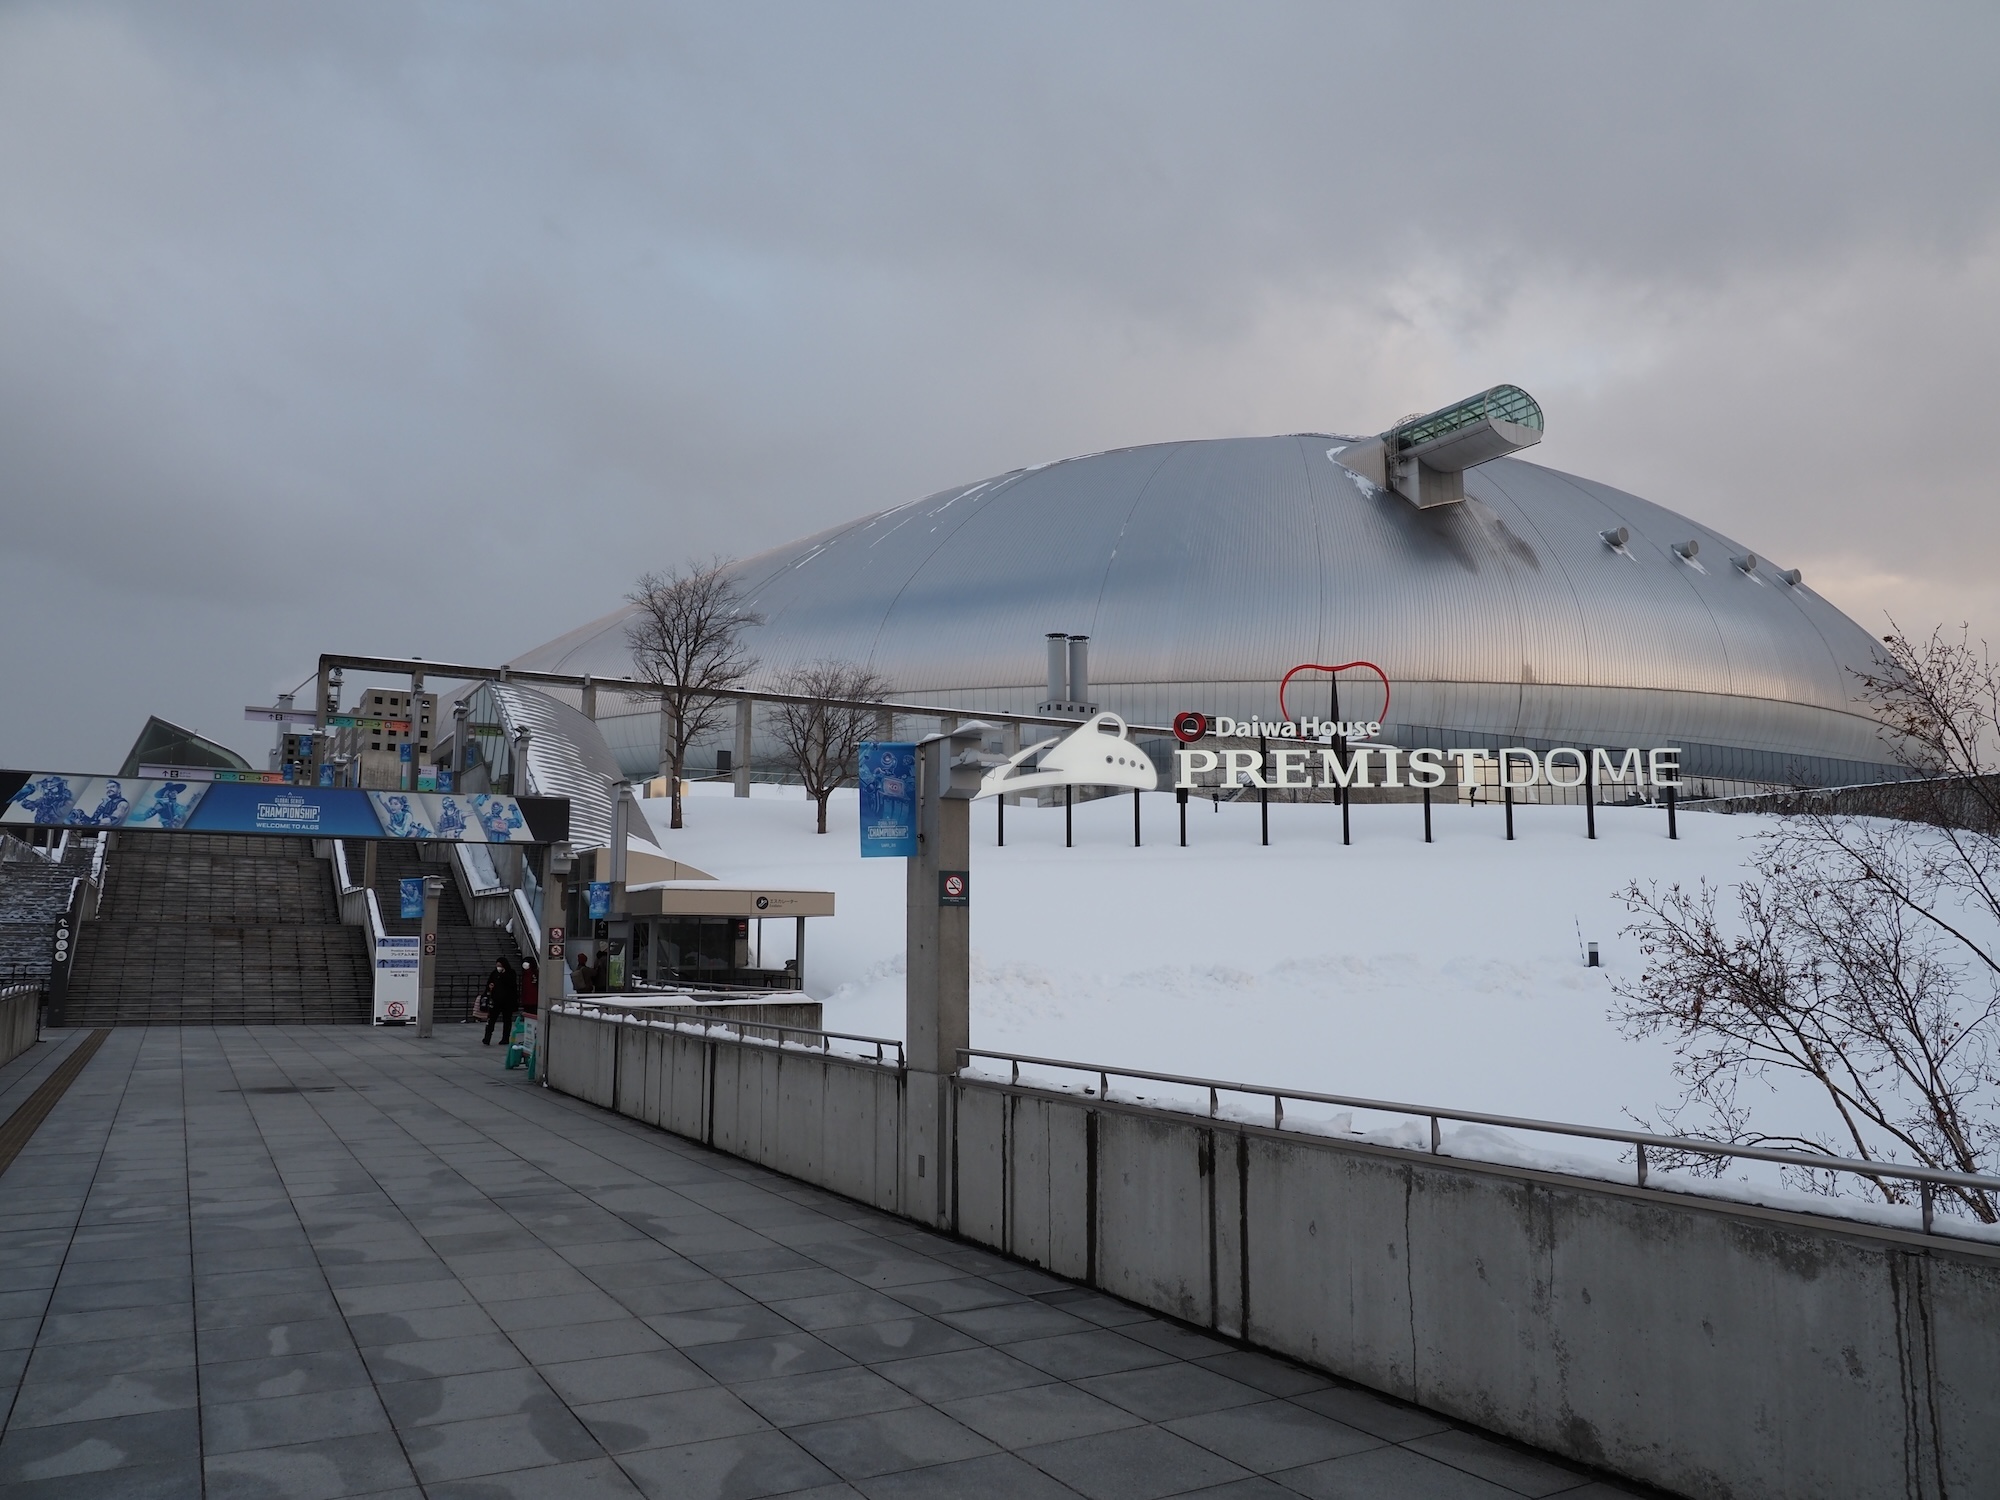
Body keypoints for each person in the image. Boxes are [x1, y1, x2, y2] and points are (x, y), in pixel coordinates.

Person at [480, 957, 518, 1046]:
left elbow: (512, 985)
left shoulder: (510, 973)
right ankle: (487, 1037)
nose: (498, 967)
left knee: (507, 1020)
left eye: (500, 965)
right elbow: (489, 983)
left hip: (507, 1001)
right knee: (491, 1020)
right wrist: (490, 987)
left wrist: (502, 975)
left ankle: (505, 1038)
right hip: (495, 1000)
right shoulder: (494, 973)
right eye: (497, 965)